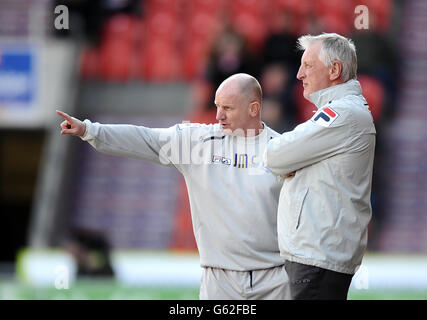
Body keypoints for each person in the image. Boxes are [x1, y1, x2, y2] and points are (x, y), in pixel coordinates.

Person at [57, 73, 290, 300]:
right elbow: (145, 139)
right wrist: (90, 131)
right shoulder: (198, 144)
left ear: (253, 109)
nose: (218, 115)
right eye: (217, 106)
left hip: (274, 280)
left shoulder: (284, 150)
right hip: (220, 281)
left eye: (227, 108)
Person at [263, 33, 376, 300]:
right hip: (318, 255)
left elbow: (275, 156)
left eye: (308, 65)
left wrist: (288, 164)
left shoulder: (341, 114)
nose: (299, 74)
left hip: (318, 257)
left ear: (334, 70)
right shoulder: (343, 112)